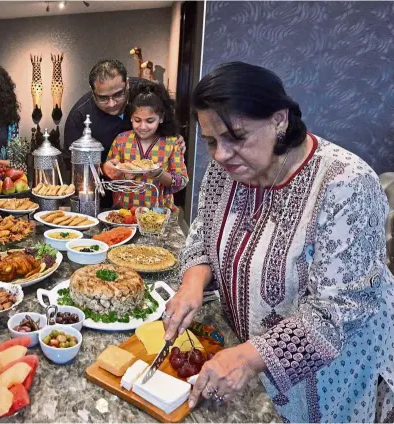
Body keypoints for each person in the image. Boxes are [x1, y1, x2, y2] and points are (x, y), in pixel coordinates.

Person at [164, 62, 394, 422]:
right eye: (210, 141)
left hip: (330, 378)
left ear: (279, 120)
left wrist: (247, 357)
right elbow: (202, 234)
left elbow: (335, 315)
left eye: (236, 137)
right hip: (245, 358)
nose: (221, 154)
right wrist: (192, 285)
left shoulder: (346, 185)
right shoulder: (226, 170)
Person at [63, 59, 184, 208]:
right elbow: (73, 165)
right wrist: (101, 168)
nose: (112, 103)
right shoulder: (79, 116)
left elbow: (167, 121)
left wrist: (175, 136)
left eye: (118, 94)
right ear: (92, 90)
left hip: (156, 200)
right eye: (103, 98)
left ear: (127, 84)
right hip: (106, 198)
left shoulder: (145, 92)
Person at [102, 84, 188, 212]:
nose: (142, 126)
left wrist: (159, 174)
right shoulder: (121, 140)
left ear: (161, 118)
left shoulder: (171, 143)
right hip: (124, 213)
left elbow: (182, 180)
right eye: (137, 120)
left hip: (159, 214)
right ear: (131, 117)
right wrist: (117, 173)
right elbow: (110, 174)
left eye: (149, 121)